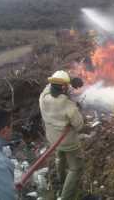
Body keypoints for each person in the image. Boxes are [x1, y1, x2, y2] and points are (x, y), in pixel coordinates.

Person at [39, 70, 84, 200]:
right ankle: (66, 196)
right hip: (69, 142)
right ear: (64, 87)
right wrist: (77, 108)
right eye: (67, 86)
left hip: (53, 139)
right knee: (75, 168)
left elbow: (50, 85)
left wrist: (69, 81)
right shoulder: (67, 104)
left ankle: (62, 182)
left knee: (60, 159)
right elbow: (79, 125)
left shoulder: (43, 96)